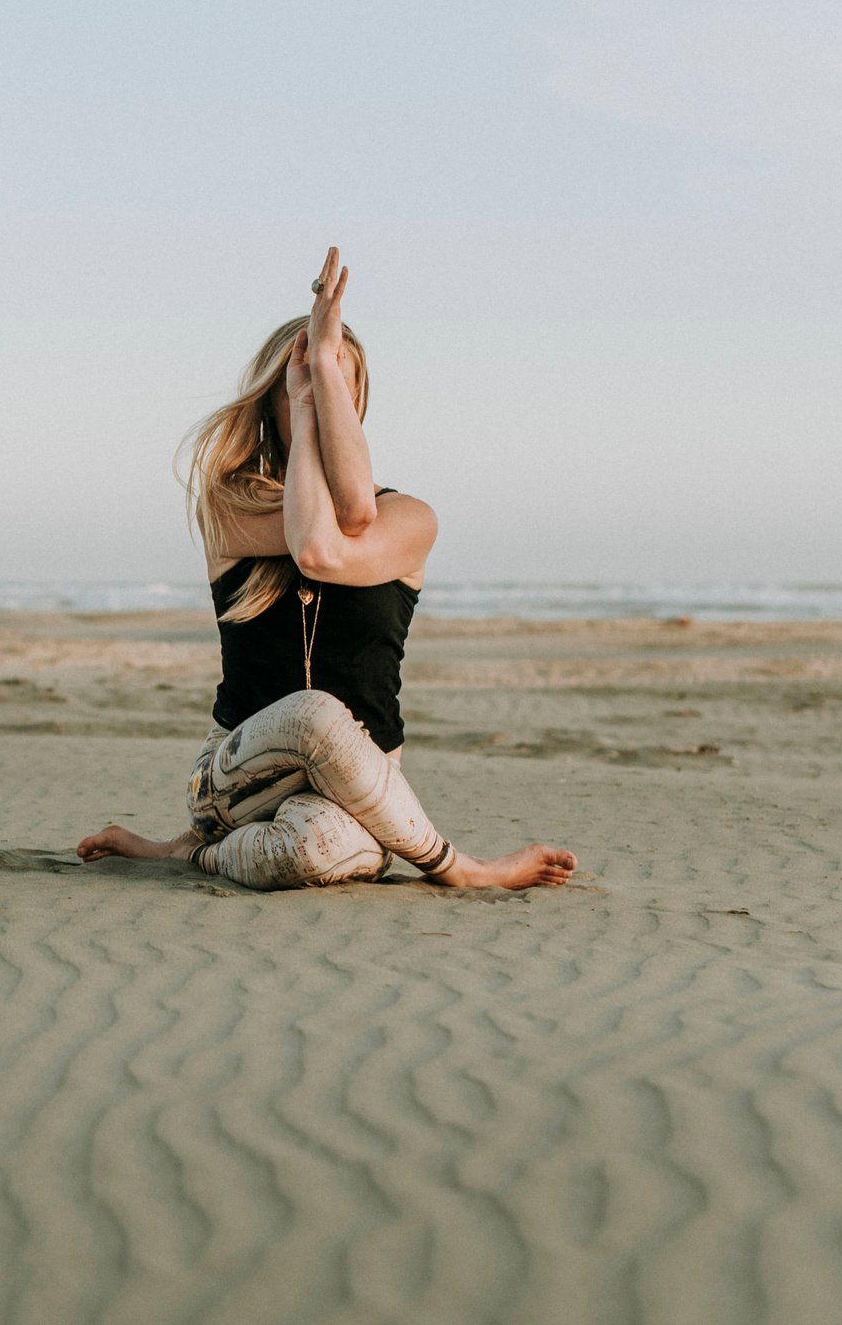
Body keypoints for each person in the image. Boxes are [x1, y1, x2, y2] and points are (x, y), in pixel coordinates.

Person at [76, 248, 577, 891]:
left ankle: (188, 855)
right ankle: (464, 869)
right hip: (238, 774)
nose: (320, 385)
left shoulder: (412, 519)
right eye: (307, 376)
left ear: (359, 401)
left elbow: (349, 521)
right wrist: (309, 405)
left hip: (361, 785)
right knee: (313, 712)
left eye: (339, 379)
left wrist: (321, 385)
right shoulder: (230, 504)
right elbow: (315, 547)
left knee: (314, 854)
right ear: (275, 394)